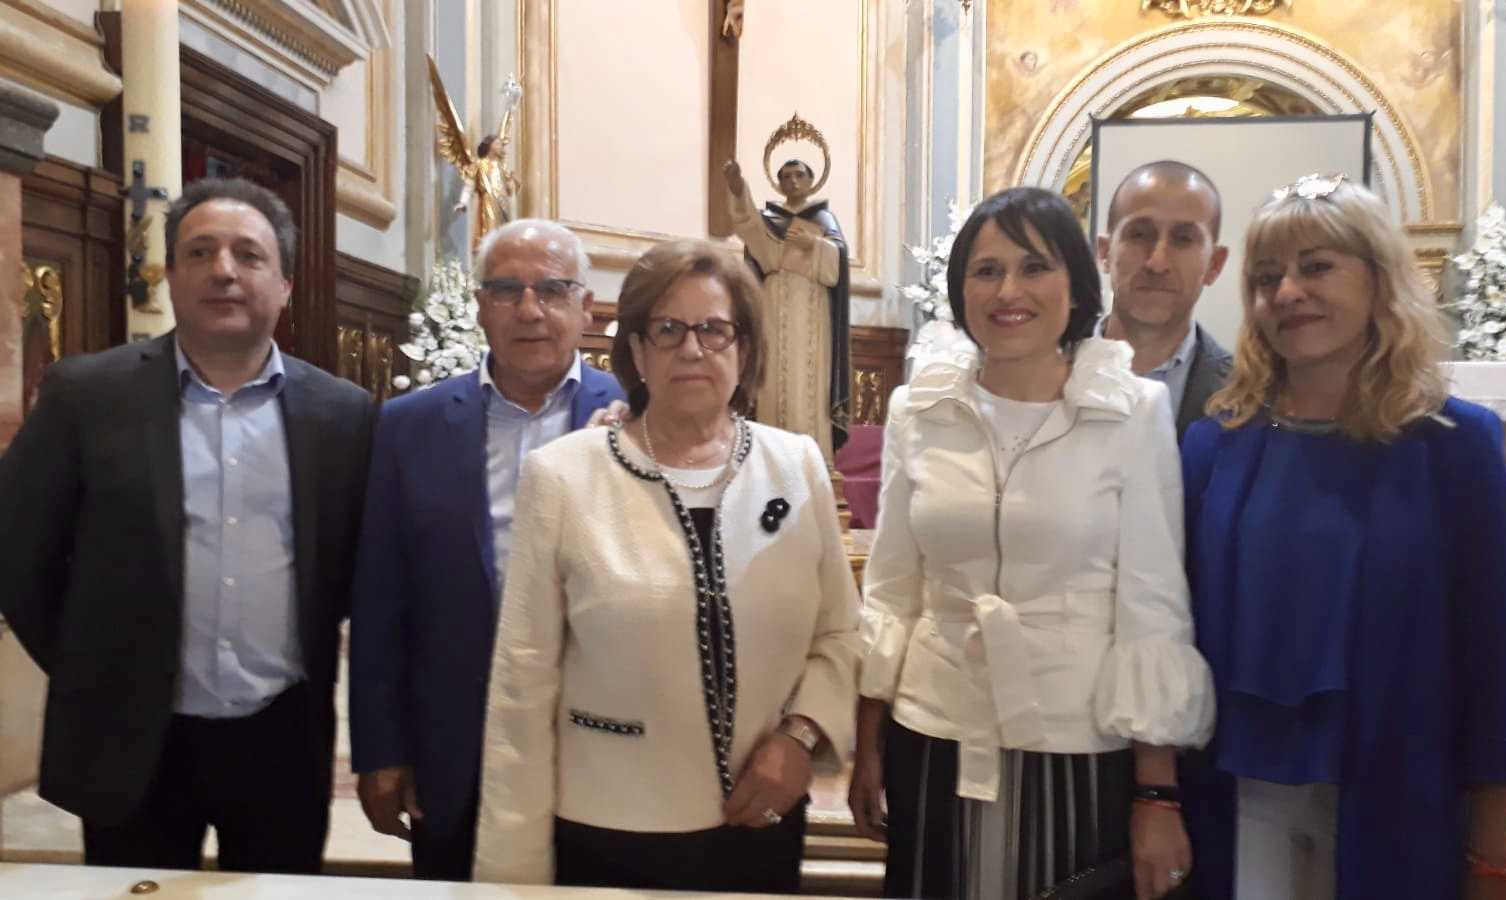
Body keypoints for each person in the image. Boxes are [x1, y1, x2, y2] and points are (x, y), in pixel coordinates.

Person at [0, 177, 374, 873]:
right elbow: (18, 553)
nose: (224, 270)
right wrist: (97, 663)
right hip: (134, 737)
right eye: (200, 252)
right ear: (172, 277)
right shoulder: (88, 396)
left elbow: (355, 570)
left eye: (248, 255)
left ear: (285, 283)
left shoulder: (343, 415)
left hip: (282, 736)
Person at [850, 186, 1215, 900]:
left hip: (1074, 739)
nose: (1008, 290)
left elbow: (1152, 607)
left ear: (1077, 283)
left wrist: (1157, 795)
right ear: (960, 288)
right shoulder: (920, 409)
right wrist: (868, 746)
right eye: (985, 271)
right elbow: (893, 587)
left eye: (1033, 267)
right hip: (933, 730)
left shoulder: (1130, 411)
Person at [1179, 175, 1506, 900]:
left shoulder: (1456, 446)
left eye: (1317, 267)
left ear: (1380, 280)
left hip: (1396, 793)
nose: (1286, 293)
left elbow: (1493, 657)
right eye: (1266, 277)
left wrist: (1491, 851)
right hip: (1234, 787)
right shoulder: (1213, 446)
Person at [473, 239, 861, 892]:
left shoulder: (794, 466)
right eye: (669, 329)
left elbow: (840, 632)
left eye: (714, 329)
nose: (692, 348)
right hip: (612, 829)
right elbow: (522, 686)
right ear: (637, 349)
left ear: (745, 346)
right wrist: (512, 875)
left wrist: (800, 737)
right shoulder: (565, 476)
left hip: (760, 817)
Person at [348, 219, 624, 880]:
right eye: (506, 290)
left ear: (586, 308)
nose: (529, 310)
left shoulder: (640, 417)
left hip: (600, 741)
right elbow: (381, 599)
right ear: (479, 307)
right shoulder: (407, 427)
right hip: (455, 745)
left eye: (552, 290)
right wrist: (381, 750)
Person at [722, 155, 851, 465]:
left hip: (812, 309)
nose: (793, 181)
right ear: (778, 182)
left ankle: (813, 464)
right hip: (774, 302)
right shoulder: (768, 218)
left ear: (811, 181)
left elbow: (837, 265)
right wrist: (738, 188)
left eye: (799, 175)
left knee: (809, 384)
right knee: (773, 381)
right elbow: (747, 226)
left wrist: (814, 245)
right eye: (786, 176)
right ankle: (768, 462)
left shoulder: (824, 220)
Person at [1097, 160, 1234, 437]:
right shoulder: (1044, 371)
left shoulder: (1247, 396)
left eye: (1183, 239)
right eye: (1139, 235)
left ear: (1215, 264)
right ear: (1105, 253)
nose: (1157, 263)